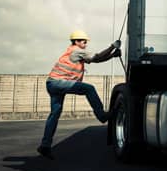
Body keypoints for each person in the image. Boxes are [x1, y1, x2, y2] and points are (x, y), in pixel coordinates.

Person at [37, 30, 122, 160]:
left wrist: (112, 56)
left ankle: (45, 145)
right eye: (83, 41)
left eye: (86, 41)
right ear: (76, 41)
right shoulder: (77, 50)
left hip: (52, 84)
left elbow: (96, 60)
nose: (85, 43)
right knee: (89, 89)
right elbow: (98, 57)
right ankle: (102, 115)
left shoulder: (72, 51)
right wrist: (113, 47)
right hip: (59, 83)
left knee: (54, 114)